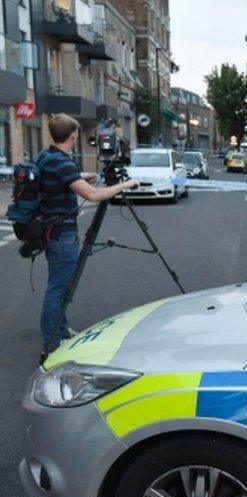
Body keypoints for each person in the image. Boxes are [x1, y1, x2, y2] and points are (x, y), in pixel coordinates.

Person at [38, 114, 138, 355]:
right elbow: (93, 196)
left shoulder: (47, 156)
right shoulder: (63, 163)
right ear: (73, 136)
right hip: (61, 235)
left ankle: (60, 330)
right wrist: (124, 185)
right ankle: (51, 343)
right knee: (58, 289)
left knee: (60, 287)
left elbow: (55, 178)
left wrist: (81, 178)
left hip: (52, 230)